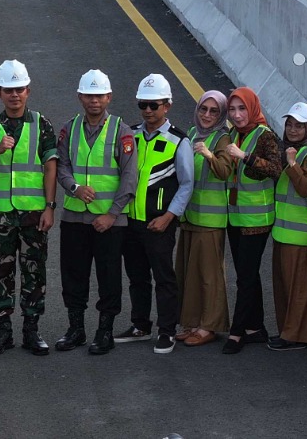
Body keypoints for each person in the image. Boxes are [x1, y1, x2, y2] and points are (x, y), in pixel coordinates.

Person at [0, 59, 58, 356]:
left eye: (19, 89)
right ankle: (3, 331)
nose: (14, 95)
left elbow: (50, 167)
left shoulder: (41, 124)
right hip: (0, 216)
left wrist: (49, 207)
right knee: (1, 272)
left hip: (33, 214)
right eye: (8, 90)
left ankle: (32, 331)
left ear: (28, 91)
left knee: (34, 272)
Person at [53, 69, 137, 355]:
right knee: (73, 275)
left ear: (109, 97)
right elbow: (61, 165)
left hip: (109, 222)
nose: (94, 101)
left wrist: (112, 214)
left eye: (99, 95)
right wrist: (74, 187)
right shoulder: (69, 128)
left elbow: (129, 177)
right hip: (74, 217)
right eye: (89, 95)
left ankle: (105, 331)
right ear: (80, 97)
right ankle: (76, 329)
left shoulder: (122, 131)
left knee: (109, 276)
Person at [116, 74, 192, 354]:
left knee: (164, 278)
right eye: (143, 105)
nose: (148, 111)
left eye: (154, 105)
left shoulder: (178, 141)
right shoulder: (131, 134)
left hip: (159, 223)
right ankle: (140, 325)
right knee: (137, 276)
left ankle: (167, 330)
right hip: (130, 221)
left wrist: (169, 217)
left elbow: (186, 184)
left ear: (168, 106)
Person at [218, 87, 280, 354]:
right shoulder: (232, 134)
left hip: (257, 218)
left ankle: (237, 332)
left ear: (252, 108)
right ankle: (256, 328)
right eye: (232, 110)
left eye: (242, 109)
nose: (237, 115)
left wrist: (246, 157)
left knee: (244, 276)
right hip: (235, 217)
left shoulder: (265, 135)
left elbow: (276, 168)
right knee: (247, 274)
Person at [177, 90, 231, 348]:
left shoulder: (222, 138)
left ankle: (209, 325)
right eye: (203, 109)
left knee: (209, 276)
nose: (207, 115)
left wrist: (209, 155)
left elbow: (224, 172)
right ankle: (191, 322)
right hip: (189, 216)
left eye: (214, 111)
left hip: (210, 220)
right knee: (188, 273)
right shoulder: (190, 133)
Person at [269, 103, 307, 350]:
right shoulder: (288, 150)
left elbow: (306, 189)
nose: (292, 129)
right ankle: (290, 331)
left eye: (299, 125)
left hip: (302, 233)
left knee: (299, 289)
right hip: (284, 231)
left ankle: (297, 336)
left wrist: (292, 164)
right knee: (285, 287)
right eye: (289, 124)